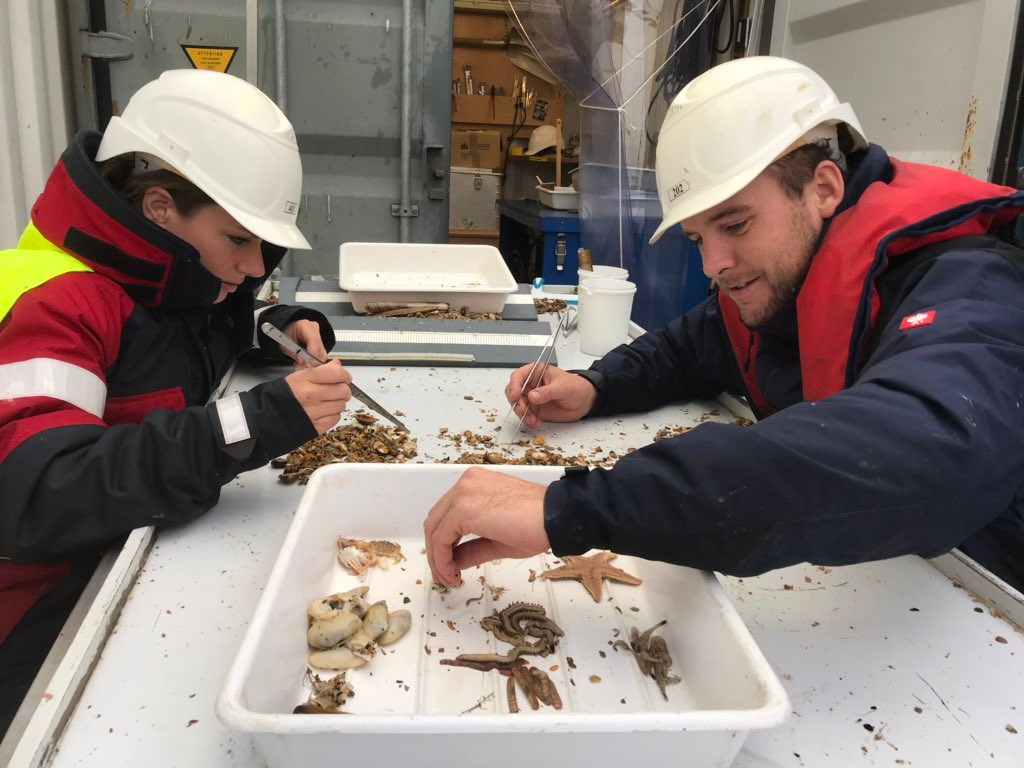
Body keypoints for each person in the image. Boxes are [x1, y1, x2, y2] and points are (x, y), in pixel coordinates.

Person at [425, 56, 1024, 595]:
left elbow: (937, 448)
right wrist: (597, 387)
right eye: (697, 238)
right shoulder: (787, 275)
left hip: (984, 610)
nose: (714, 266)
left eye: (734, 224)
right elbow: (690, 347)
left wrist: (572, 509)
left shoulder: (971, 285)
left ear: (823, 188)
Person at [0, 69, 354, 736]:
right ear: (160, 208)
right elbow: (46, 494)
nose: (253, 268)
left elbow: (175, 348)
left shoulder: (160, 271)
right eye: (239, 240)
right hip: (46, 610)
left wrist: (278, 327)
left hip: (141, 563)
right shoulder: (52, 304)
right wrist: (255, 422)